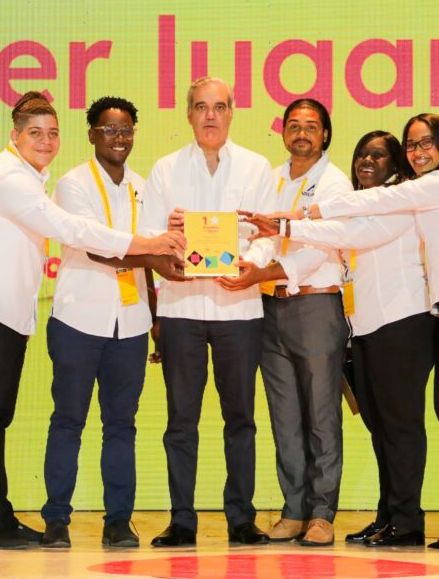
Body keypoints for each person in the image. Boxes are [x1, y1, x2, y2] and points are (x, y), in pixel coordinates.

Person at [0, 92, 184, 550]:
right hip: (41, 317)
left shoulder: (128, 184)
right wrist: (152, 247)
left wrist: (161, 279)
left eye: (52, 133)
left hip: (99, 320)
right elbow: (80, 236)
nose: (46, 141)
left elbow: (149, 248)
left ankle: (100, 521)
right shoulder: (34, 182)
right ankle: (44, 520)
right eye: (35, 133)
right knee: (17, 418)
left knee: (14, 419)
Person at [285, 113, 439, 550]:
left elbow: (372, 209)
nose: (419, 151)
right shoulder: (433, 187)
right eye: (412, 144)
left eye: (426, 142)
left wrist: (298, 216)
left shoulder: (438, 183)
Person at [245, 130, 437, 547]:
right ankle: (388, 515)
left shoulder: (396, 201)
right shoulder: (359, 202)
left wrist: (284, 227)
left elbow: (343, 237)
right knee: (379, 426)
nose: (367, 161)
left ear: (396, 164)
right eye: (362, 154)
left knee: (394, 425)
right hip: (363, 328)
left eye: (379, 155)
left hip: (400, 324)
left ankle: (403, 520)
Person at [39, 96, 186, 549]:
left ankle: (118, 521)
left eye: (126, 130)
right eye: (109, 130)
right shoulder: (73, 184)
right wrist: (157, 255)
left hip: (132, 323)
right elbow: (99, 248)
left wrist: (156, 320)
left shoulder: (144, 187)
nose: (119, 138)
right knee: (68, 420)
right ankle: (56, 520)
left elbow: (152, 256)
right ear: (91, 134)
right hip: (78, 320)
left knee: (122, 425)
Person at [140, 76, 277, 547]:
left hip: (240, 309)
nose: (210, 115)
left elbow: (268, 236)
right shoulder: (165, 169)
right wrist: (168, 233)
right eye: (201, 107)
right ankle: (182, 520)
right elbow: (147, 235)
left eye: (219, 106)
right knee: (181, 420)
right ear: (189, 114)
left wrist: (251, 265)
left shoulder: (257, 167)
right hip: (182, 309)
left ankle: (241, 518)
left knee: (241, 419)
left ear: (232, 112)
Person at [217, 99, 351, 546]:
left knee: (321, 414)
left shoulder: (334, 183)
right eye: (293, 125)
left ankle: (322, 514)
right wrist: (247, 264)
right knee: (284, 415)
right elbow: (260, 237)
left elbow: (318, 248)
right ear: (283, 132)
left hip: (315, 306)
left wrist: (263, 272)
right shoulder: (270, 179)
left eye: (311, 126)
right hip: (269, 309)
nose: (301, 133)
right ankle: (293, 510)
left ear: (325, 134)